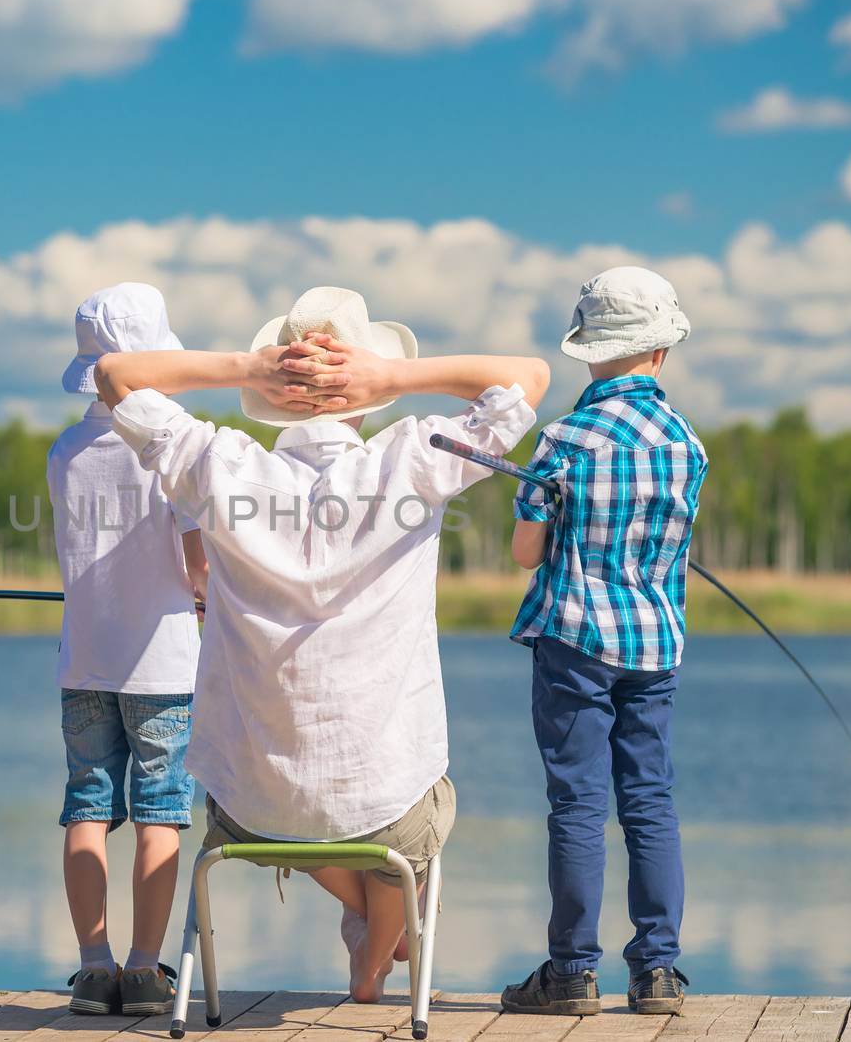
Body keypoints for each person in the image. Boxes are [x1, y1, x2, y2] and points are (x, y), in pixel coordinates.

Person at [95, 286, 549, 1003]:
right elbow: (529, 377)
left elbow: (115, 376)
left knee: (303, 796)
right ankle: (373, 951)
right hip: (385, 806)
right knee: (414, 814)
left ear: (275, 395)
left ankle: (365, 923)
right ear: (364, 392)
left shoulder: (220, 463)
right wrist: (393, 377)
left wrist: (249, 366)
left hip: (249, 811)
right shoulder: (414, 458)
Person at [501, 266, 708, 1017]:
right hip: (656, 645)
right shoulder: (687, 444)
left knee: (578, 805)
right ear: (659, 353)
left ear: (590, 352)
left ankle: (571, 972)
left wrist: (552, 518)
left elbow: (526, 554)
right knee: (649, 801)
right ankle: (657, 972)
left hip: (574, 641)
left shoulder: (563, 438)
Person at [48, 283, 209, 1016]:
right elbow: (196, 561)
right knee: (160, 812)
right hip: (164, 663)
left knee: (87, 806)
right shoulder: (168, 447)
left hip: (84, 659)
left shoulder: (65, 452)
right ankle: (145, 970)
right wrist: (204, 597)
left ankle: (91, 966)